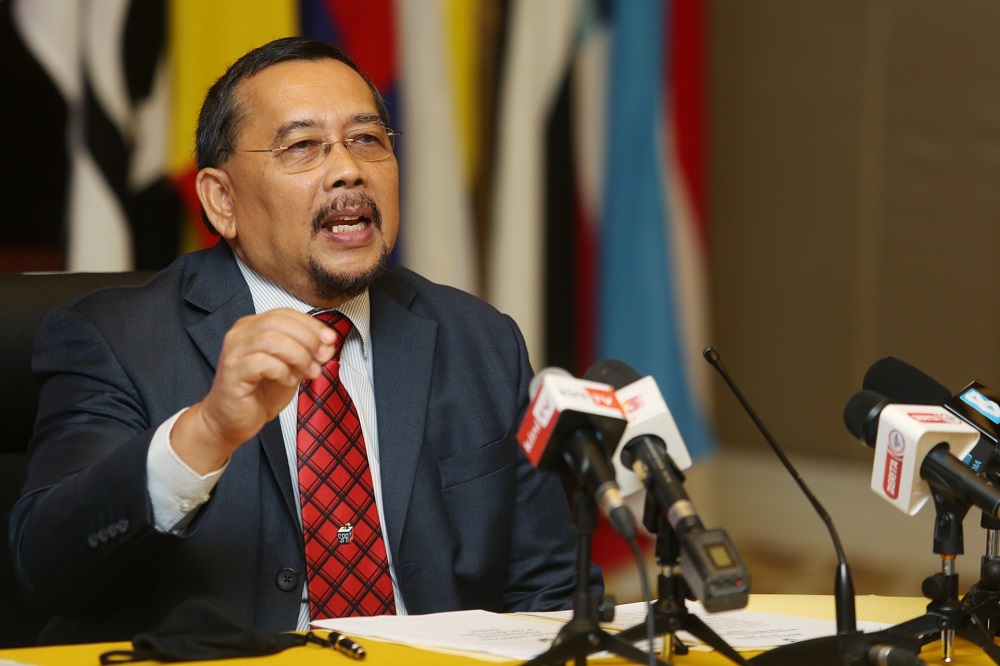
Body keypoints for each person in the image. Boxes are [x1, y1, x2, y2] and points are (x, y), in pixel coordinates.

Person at [8, 36, 599, 644]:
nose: (349, 169)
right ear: (221, 199)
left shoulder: (479, 338)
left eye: (367, 140)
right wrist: (206, 433)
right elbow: (50, 570)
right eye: (302, 147)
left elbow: (548, 594)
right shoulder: (114, 339)